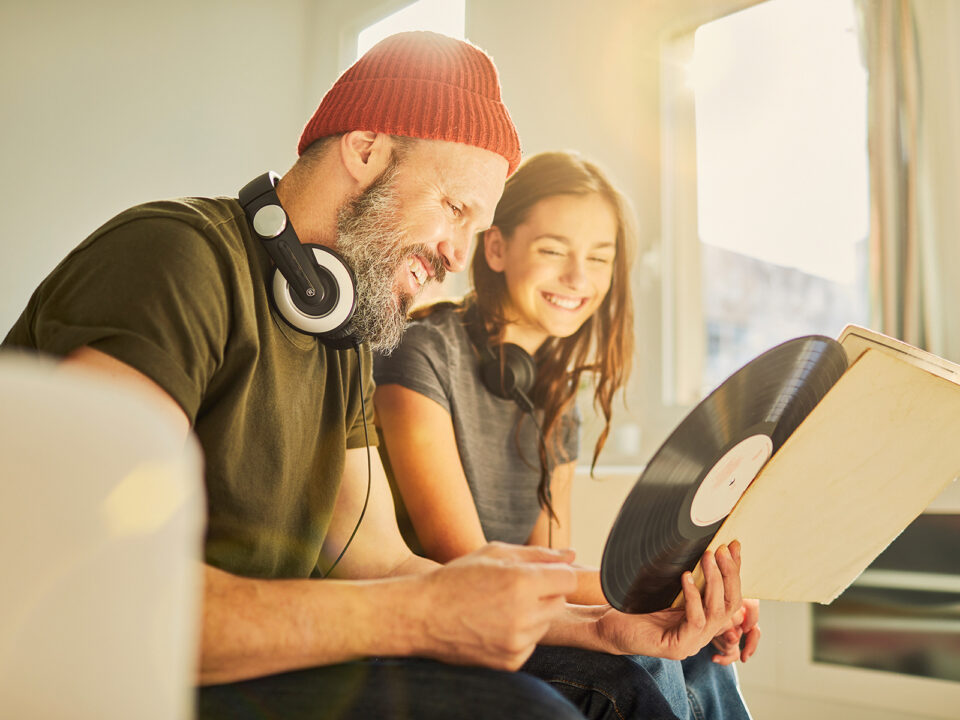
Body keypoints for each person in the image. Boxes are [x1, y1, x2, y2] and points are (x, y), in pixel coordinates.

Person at [3, 32, 746, 720]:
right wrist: (424, 616)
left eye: (474, 228)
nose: (458, 254)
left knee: (624, 684)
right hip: (134, 676)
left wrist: (608, 627)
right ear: (365, 149)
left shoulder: (342, 330)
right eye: (454, 208)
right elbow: (96, 592)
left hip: (254, 667)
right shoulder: (175, 257)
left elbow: (378, 561)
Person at [374, 150, 759, 718]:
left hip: (511, 617)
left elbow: (549, 565)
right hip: (440, 626)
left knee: (696, 655)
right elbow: (467, 563)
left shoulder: (555, 395)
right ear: (497, 248)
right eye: (554, 251)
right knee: (638, 667)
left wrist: (693, 602)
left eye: (599, 259)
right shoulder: (422, 354)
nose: (579, 279)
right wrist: (670, 597)